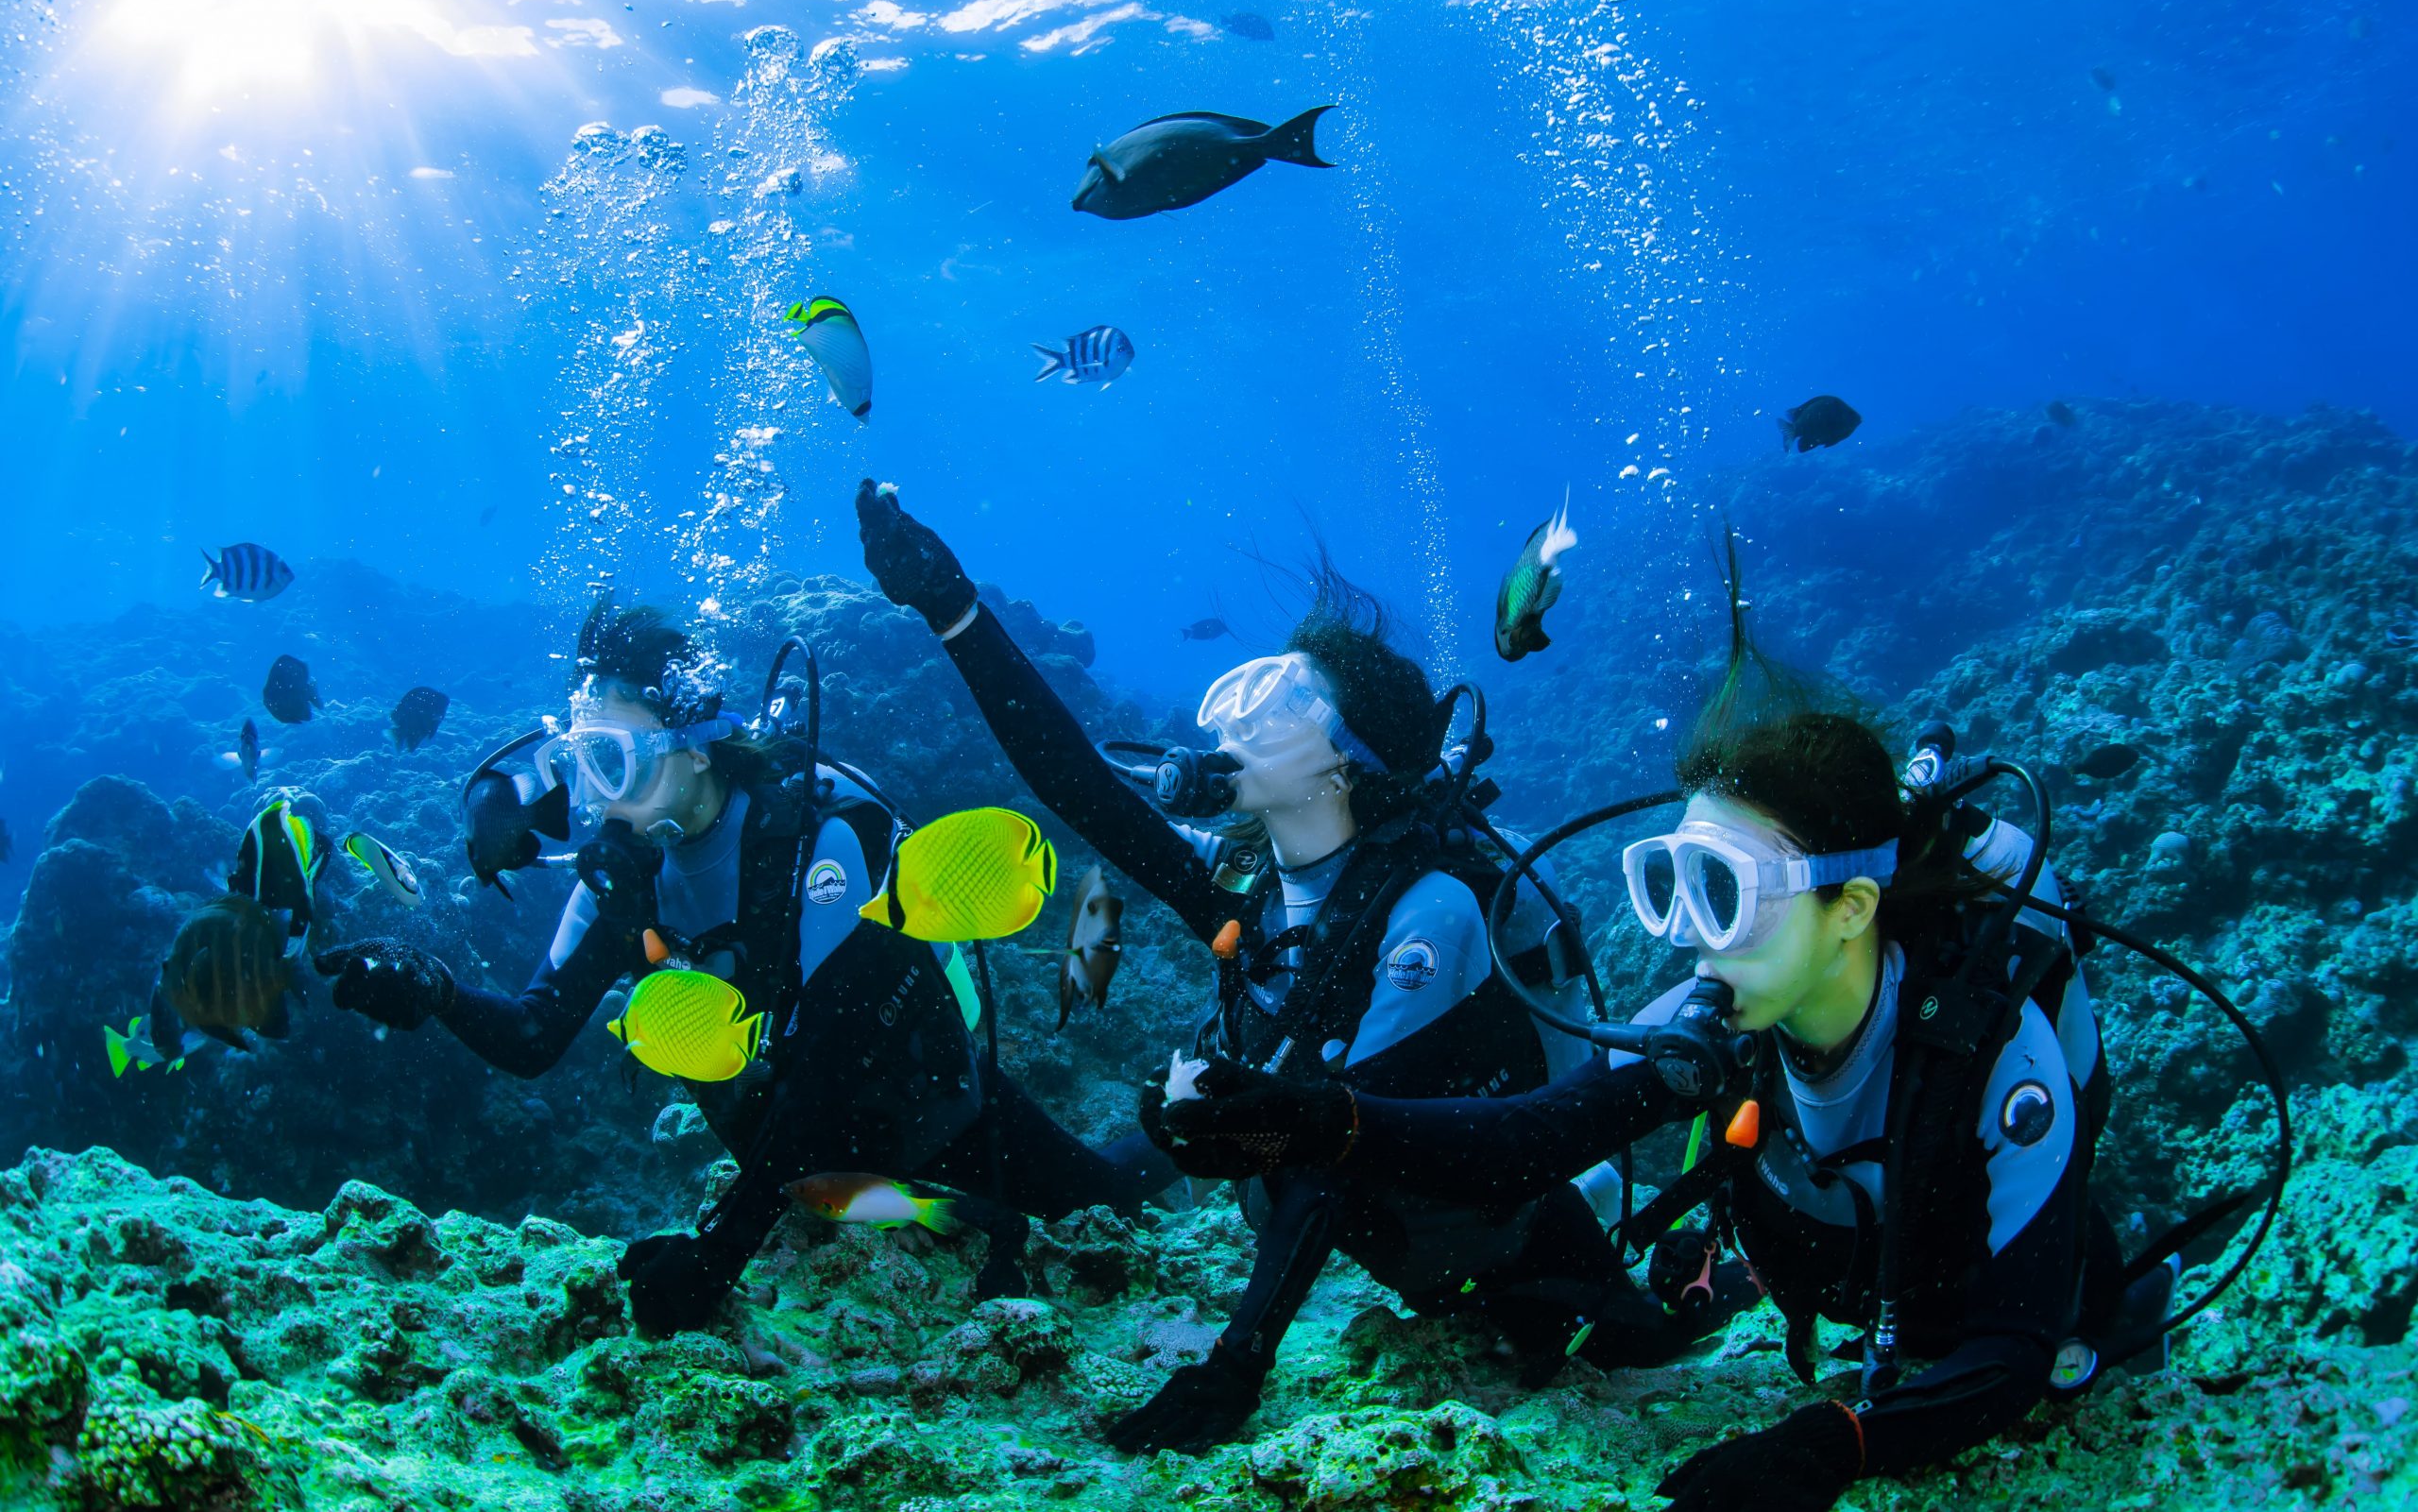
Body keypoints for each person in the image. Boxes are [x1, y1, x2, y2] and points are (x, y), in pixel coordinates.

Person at [1139, 586, 2177, 1510]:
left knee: (2076, 1331)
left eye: (1724, 892)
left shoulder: (1993, 1049)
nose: (1689, 934)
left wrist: (1836, 1443)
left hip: (1978, 1300)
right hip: (1841, 1279)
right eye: (1672, 883)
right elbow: (1531, 1139)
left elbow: (2010, 1352)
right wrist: (1322, 1118)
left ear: (1852, 906)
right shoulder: (1726, 1002)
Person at [856, 480, 1751, 1454]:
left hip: (1500, 1244)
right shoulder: (1248, 877)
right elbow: (1077, 783)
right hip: (1355, 1214)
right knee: (1082, 1185)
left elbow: (1335, 1145)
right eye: (1248, 686)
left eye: (1280, 701)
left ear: (1343, 760)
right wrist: (952, 608)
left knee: (1613, 1346)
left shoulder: (1433, 909)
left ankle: (1691, 1276)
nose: (1235, 716)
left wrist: (1237, 1364)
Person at [310, 595, 1149, 1333]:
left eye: (616, 760)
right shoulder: (627, 876)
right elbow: (534, 1033)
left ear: (698, 745)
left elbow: (828, 1078)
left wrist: (716, 1257)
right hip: (794, 1173)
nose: (599, 801)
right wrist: (436, 989)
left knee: (1111, 1201)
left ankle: (1178, 1125)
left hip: (938, 1116)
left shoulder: (820, 836)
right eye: (583, 764)